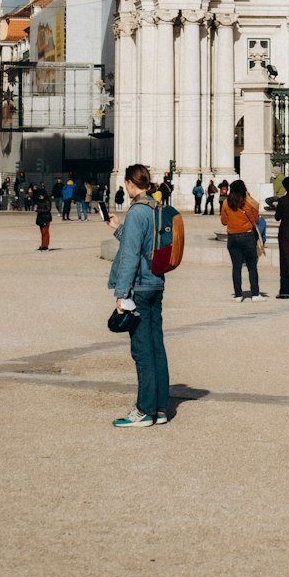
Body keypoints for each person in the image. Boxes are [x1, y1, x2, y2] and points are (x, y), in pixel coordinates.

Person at [107, 164, 171, 428]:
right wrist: (117, 228)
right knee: (157, 347)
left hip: (140, 288)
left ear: (129, 183)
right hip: (156, 283)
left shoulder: (137, 212)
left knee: (142, 350)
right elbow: (147, 244)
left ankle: (144, 410)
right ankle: (160, 407)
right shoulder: (158, 208)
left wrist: (121, 294)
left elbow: (131, 255)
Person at [220, 179, 265, 301]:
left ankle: (238, 295)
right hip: (247, 236)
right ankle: (255, 294)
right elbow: (255, 219)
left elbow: (224, 221)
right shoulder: (248, 203)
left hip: (232, 237)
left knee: (236, 267)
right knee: (252, 267)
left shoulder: (225, 203)